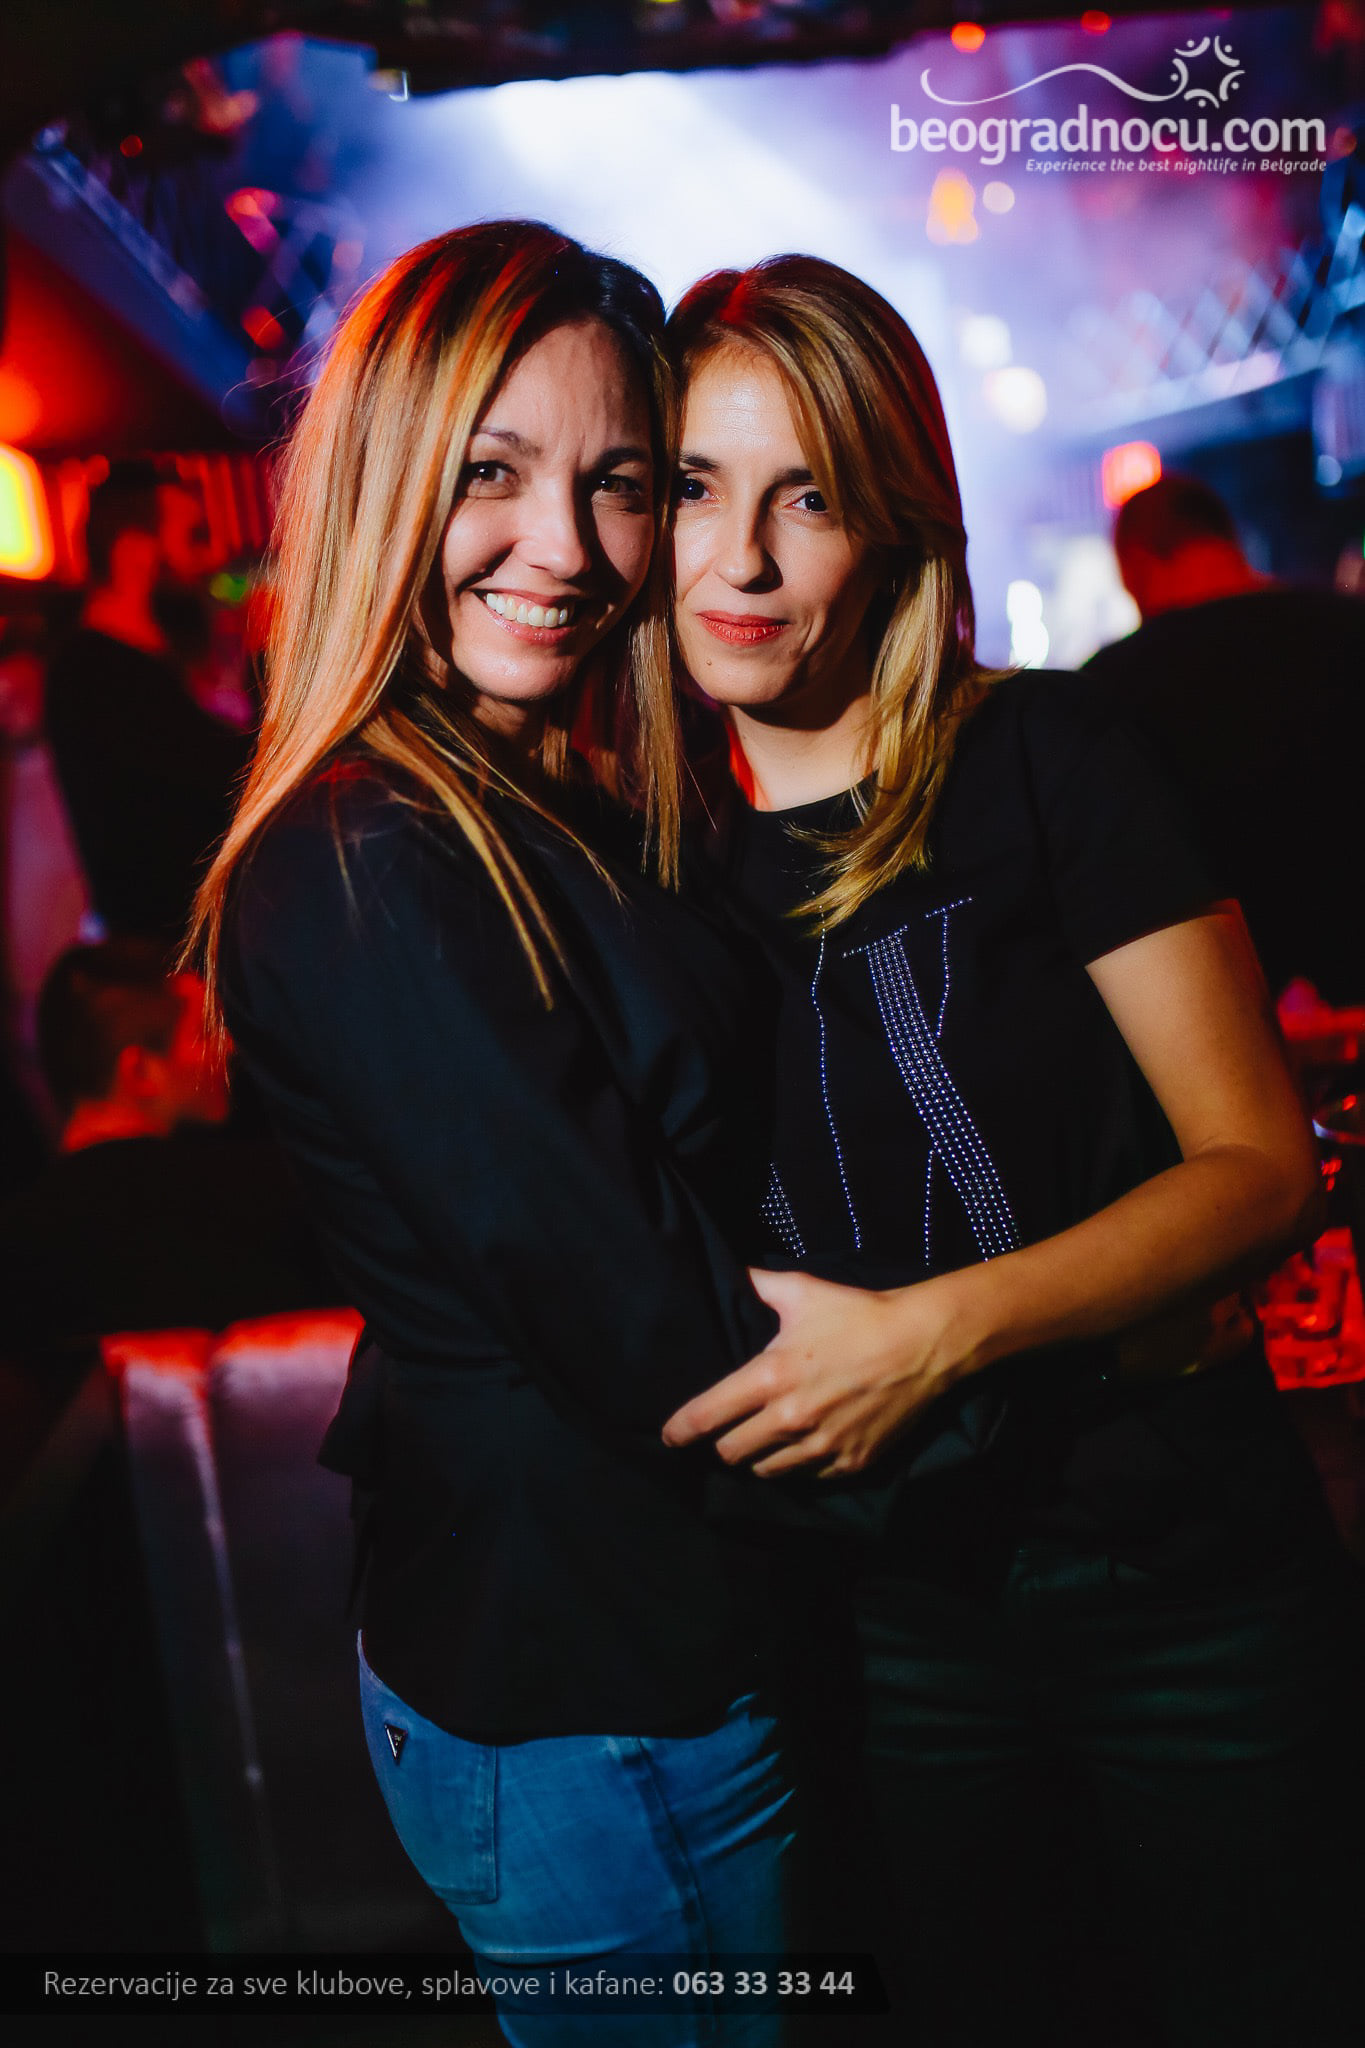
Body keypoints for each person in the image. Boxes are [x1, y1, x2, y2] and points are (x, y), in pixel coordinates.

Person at [655, 257, 1365, 2048]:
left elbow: (1260, 1163)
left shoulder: (1044, 754)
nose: (741, 560)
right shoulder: (644, 866)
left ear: (892, 520)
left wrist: (937, 1334)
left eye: (806, 496)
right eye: (694, 487)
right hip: (881, 1618)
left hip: (1173, 1573)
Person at [186, 223, 795, 2047]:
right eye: (493, 473)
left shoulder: (554, 794)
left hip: (643, 1641)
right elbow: (650, 1322)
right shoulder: (368, 853)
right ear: (387, 477)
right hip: (595, 1693)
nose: (570, 548)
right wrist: (1017, 1364)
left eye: (620, 483)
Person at [1084, 472, 1365, 1004]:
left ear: (1136, 562)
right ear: (1228, 539)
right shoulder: (1350, 631)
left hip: (1228, 1008)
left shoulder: (1105, 689)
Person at [0, 939, 338, 1350]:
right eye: (204, 1032)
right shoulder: (260, 1195)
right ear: (140, 1072)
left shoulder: (18, 1239)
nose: (228, 1047)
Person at [45, 462, 251, 951]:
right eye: (189, 536)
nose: (207, 556)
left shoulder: (156, 661)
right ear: (133, 551)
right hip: (165, 955)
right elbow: (224, 780)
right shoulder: (95, 671)